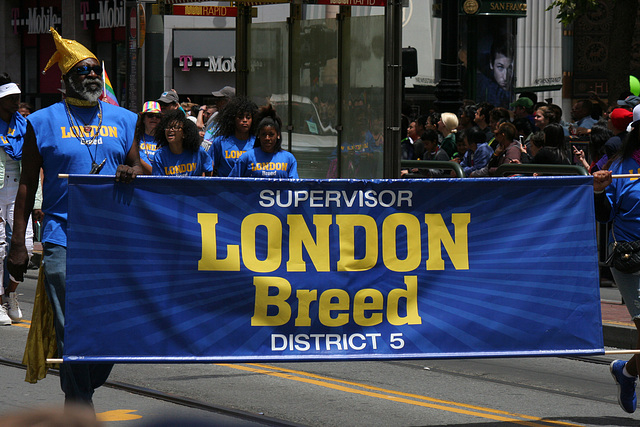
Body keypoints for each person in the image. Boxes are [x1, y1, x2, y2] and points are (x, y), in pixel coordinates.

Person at [7, 27, 141, 409]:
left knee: (112, 325)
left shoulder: (125, 119)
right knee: (75, 323)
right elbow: (27, 184)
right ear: (66, 79)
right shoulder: (41, 122)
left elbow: (141, 167)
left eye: (95, 69)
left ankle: (83, 387)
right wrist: (19, 243)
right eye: (83, 71)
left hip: (114, 238)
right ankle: (79, 401)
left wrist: (134, 171)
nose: (91, 76)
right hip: (62, 234)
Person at [592, 118, 640, 414]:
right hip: (631, 257)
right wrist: (599, 190)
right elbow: (605, 216)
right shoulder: (619, 167)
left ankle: (626, 373)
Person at [0, 73, 40, 325]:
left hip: (20, 191)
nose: (16, 102)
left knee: (24, 247)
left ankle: (10, 295)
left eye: (17, 97)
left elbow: (36, 167)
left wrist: (37, 202)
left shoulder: (26, 126)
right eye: (10, 98)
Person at [230, 104, 298, 178]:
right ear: (258, 135)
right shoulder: (246, 157)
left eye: (271, 134)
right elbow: (230, 184)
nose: (267, 138)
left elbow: (295, 186)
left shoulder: (289, 158)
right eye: (263, 134)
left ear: (278, 135)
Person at [152, 109, 213, 177]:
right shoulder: (160, 155)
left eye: (175, 127)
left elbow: (208, 171)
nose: (170, 130)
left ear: (184, 133)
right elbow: (159, 182)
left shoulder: (198, 151)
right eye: (167, 127)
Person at [208, 96, 258, 177]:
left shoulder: (257, 142)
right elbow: (209, 167)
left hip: (249, 188)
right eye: (240, 117)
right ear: (233, 119)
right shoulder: (220, 141)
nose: (245, 120)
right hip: (224, 187)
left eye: (248, 117)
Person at [476, 35, 514, 108]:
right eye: (500, 67)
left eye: (510, 68)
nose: (505, 77)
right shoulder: (483, 86)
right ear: (491, 64)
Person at [135, 101, 162, 175]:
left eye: (158, 116)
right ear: (143, 119)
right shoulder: (135, 138)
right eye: (150, 115)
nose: (154, 118)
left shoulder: (165, 139)